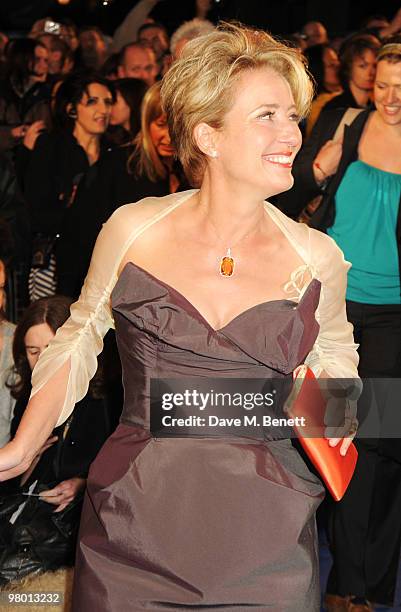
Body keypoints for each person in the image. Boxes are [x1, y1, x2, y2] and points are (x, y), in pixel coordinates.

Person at [0, 23, 359, 610]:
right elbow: (79, 336)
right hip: (135, 519)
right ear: (208, 136)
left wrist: (340, 414)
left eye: (293, 116)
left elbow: (337, 363)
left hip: (266, 527)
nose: (291, 133)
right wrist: (23, 445)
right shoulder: (132, 228)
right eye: (267, 115)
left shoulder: (317, 257)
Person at [276, 39, 401, 611]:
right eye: (383, 87)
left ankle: (361, 586)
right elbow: (289, 196)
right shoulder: (344, 124)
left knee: (378, 444)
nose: (392, 99)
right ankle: (348, 584)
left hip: (394, 316)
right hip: (334, 305)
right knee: (337, 439)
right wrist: (316, 170)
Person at [0, 295, 121, 585]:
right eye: (32, 351)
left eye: (51, 349)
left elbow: (118, 469)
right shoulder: (26, 398)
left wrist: (81, 485)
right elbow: (17, 482)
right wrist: (32, 455)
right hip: (30, 513)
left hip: (79, 520)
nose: (42, 361)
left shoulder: (104, 396)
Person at [57, 80, 186, 299]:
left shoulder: (194, 171)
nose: (169, 136)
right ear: (146, 123)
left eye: (178, 128)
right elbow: (80, 238)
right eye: (161, 124)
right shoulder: (118, 166)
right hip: (118, 296)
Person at [22, 71, 115, 301]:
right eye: (92, 101)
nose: (103, 110)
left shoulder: (115, 151)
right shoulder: (51, 147)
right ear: (71, 109)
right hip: (60, 261)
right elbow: (36, 207)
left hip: (104, 260)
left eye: (107, 102)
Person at [0, 38, 51, 153]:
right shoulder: (4, 91)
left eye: (46, 60)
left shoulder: (47, 95)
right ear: (22, 59)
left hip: (35, 161)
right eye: (37, 59)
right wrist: (13, 132)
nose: (44, 66)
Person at [321, 34, 380, 114]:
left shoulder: (378, 106)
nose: (371, 72)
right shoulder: (335, 108)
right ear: (349, 67)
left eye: (374, 66)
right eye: (362, 66)